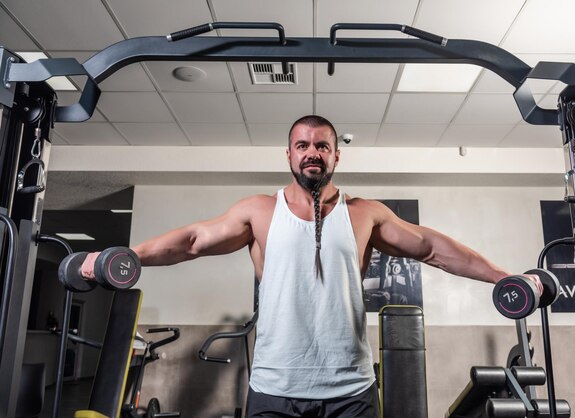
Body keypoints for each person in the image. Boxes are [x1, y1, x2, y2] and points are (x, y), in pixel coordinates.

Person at [80, 114, 541, 418]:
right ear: (289, 154)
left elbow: (430, 248)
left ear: (336, 155)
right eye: (302, 145)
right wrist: (125, 256)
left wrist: (503, 278)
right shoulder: (259, 211)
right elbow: (194, 241)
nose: (312, 153)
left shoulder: (365, 213)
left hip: (351, 390)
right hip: (275, 388)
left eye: (322, 145)